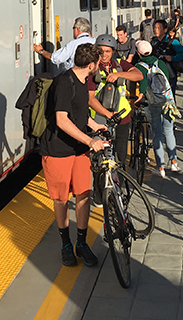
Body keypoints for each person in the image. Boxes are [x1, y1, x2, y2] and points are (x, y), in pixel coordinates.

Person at [40, 43, 110, 267]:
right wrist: (90, 140)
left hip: (79, 150)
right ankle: (65, 244)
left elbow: (78, 114)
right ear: (90, 65)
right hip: (58, 151)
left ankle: (81, 242)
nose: (99, 67)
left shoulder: (83, 82)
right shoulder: (64, 83)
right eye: (97, 64)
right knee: (61, 199)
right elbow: (62, 119)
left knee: (84, 195)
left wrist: (95, 125)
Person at [88, 34, 143, 164]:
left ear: (113, 51)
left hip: (123, 117)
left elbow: (138, 75)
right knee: (101, 157)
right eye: (100, 51)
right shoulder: (93, 69)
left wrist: (119, 74)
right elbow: (90, 99)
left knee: (121, 155)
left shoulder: (119, 64)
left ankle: (119, 181)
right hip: (100, 120)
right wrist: (109, 114)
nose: (104, 55)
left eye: (107, 51)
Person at [134, 40, 180, 179]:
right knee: (169, 131)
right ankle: (174, 162)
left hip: (152, 104)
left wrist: (138, 99)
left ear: (139, 53)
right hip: (167, 101)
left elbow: (142, 86)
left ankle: (160, 167)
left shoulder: (139, 67)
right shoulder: (160, 63)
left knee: (157, 135)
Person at [150, 19, 183, 94]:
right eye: (155, 28)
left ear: (165, 30)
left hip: (169, 73)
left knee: (169, 96)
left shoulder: (172, 42)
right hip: (155, 74)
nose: (155, 30)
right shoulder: (153, 42)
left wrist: (172, 58)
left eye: (158, 28)